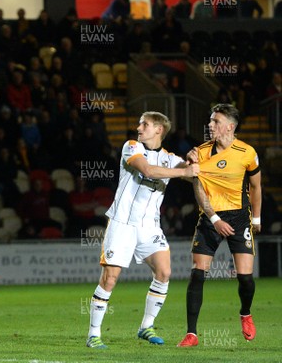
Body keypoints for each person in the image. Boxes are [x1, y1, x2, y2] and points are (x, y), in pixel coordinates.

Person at [86, 112, 200, 349]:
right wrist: (185, 172)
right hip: (122, 223)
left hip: (149, 227)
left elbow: (195, 174)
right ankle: (93, 334)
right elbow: (148, 170)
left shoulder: (170, 159)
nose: (139, 128)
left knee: (164, 272)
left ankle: (146, 326)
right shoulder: (131, 147)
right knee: (110, 278)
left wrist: (194, 161)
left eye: (145, 124)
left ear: (159, 129)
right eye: (139, 123)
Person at [178, 104, 261, 347]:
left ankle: (245, 313)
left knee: (245, 278)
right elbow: (194, 184)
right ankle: (191, 334)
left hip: (239, 218)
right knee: (197, 273)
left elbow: (256, 186)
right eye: (210, 121)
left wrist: (256, 218)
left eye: (216, 121)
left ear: (230, 126)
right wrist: (214, 219)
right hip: (210, 218)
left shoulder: (247, 152)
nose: (210, 125)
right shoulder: (201, 152)